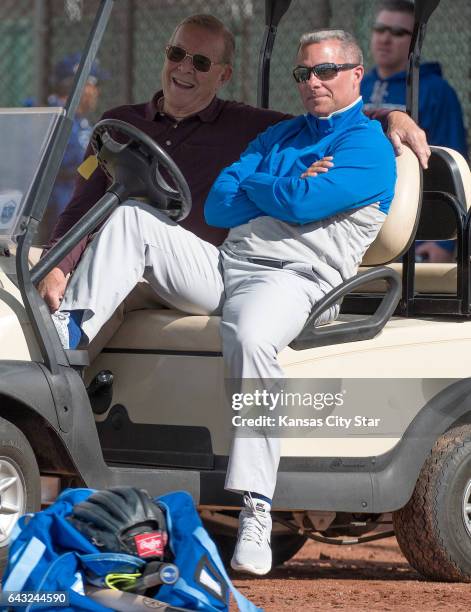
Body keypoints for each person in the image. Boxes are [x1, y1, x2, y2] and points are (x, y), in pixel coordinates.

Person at [51, 28, 396, 576]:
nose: (313, 83)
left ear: (356, 74)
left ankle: (256, 504)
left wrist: (266, 183)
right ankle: (57, 360)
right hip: (229, 265)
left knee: (252, 334)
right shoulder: (281, 133)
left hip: (294, 281)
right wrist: (282, 179)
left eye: (326, 71)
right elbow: (217, 205)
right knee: (132, 220)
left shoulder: (368, 148)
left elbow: (305, 202)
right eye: (303, 73)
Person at [38, 14, 430, 312]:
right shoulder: (119, 123)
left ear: (223, 75)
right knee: (38, 287)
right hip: (119, 257)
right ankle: (62, 386)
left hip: (197, 270)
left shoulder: (250, 126)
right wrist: (58, 262)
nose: (185, 68)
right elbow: (83, 203)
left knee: (113, 270)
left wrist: (389, 117)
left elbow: (324, 117)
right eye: (177, 54)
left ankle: (57, 388)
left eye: (201, 63)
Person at [361, 0, 468, 263]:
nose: (386, 38)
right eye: (380, 29)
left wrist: (441, 242)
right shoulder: (358, 84)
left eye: (398, 33)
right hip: (361, 216)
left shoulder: (436, 91)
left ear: (415, 39)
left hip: (413, 227)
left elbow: (448, 159)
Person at [34, 53, 104, 245]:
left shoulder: (80, 119)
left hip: (72, 204)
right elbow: (68, 164)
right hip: (53, 210)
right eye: (94, 85)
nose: (96, 92)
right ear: (82, 86)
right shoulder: (53, 115)